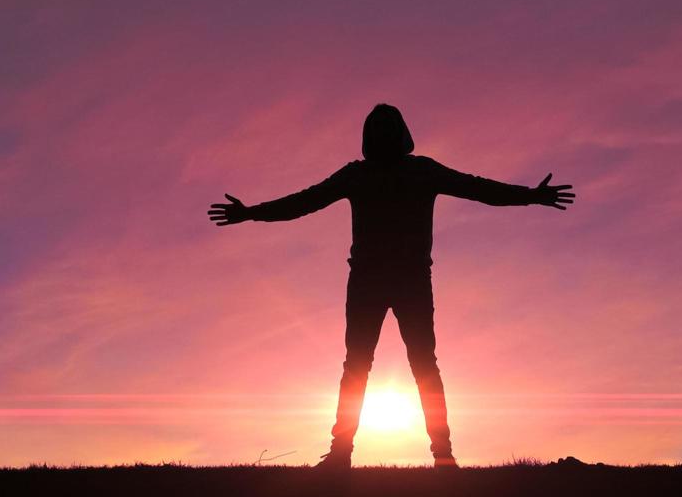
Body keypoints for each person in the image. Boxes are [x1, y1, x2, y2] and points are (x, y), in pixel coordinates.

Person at [207, 103, 575, 470]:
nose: (382, 134)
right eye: (378, 127)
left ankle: (436, 454)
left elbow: (477, 188)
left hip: (405, 280)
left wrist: (530, 195)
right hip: (375, 280)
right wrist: (251, 212)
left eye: (387, 127)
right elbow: (306, 201)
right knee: (371, 365)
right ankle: (348, 452)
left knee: (411, 365)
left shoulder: (410, 172)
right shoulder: (368, 175)